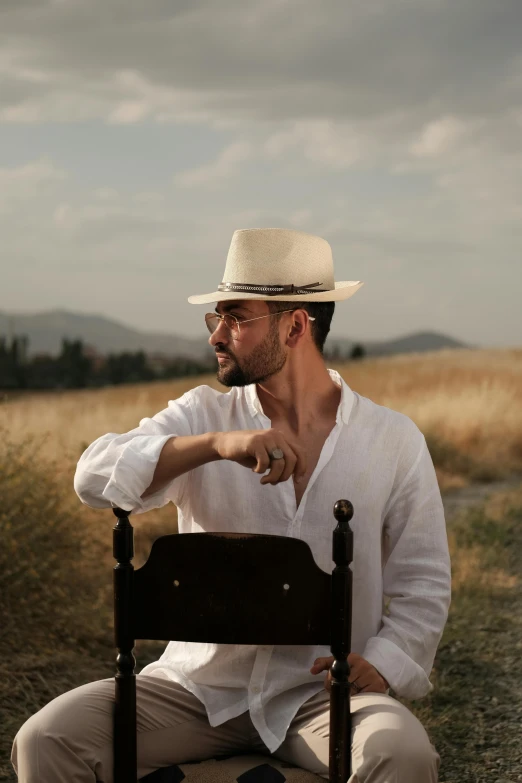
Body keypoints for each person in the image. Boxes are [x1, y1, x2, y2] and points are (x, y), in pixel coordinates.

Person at [11, 227, 451, 782]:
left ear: (294, 325)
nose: (217, 335)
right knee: (47, 738)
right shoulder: (202, 416)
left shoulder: (392, 439)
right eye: (216, 317)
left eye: (236, 318)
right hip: (194, 690)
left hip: (318, 694)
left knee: (402, 754)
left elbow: (424, 580)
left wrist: (385, 664)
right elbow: (93, 476)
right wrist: (217, 447)